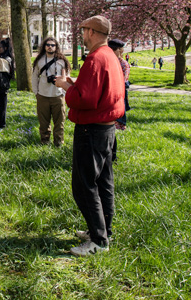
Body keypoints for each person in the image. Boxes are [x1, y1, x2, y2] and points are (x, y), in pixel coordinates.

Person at [55, 15, 125, 257]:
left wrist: (67, 88)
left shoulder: (95, 58)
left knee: (84, 185)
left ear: (92, 32)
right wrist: (76, 83)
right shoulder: (110, 56)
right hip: (106, 129)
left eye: (84, 30)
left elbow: (84, 99)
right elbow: (100, 90)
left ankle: (98, 240)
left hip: (91, 129)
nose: (82, 35)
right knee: (104, 182)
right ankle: (105, 231)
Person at [32, 36, 70, 146]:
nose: (50, 47)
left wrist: (64, 93)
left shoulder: (62, 61)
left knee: (59, 123)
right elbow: (34, 77)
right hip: (43, 95)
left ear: (56, 47)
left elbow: (66, 77)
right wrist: (36, 92)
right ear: (44, 47)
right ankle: (45, 142)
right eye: (48, 45)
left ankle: (58, 143)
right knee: (44, 123)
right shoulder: (39, 61)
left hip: (57, 95)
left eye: (52, 45)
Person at [108, 39, 130, 131]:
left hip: (119, 90)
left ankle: (120, 126)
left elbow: (123, 80)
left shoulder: (123, 63)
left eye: (114, 50)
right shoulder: (109, 61)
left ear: (120, 51)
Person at [0, 38, 15, 129]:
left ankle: (2, 125)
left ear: (5, 48)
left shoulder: (6, 59)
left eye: (0, 47)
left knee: (1, 107)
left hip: (1, 86)